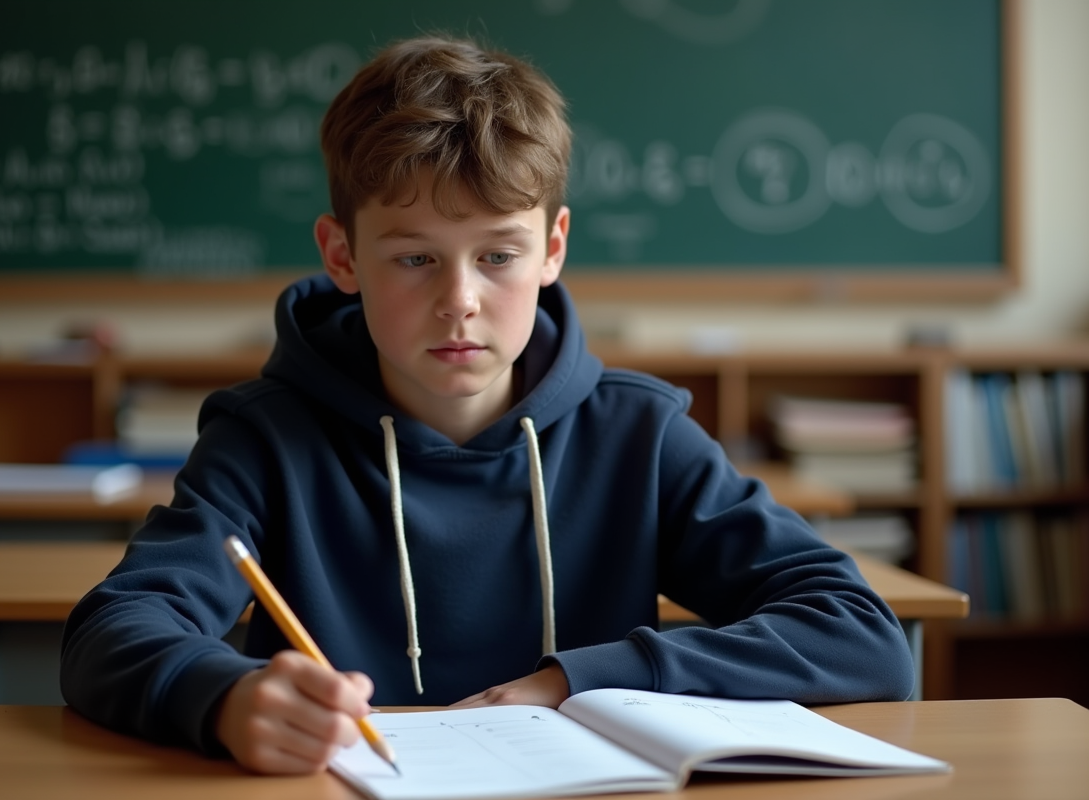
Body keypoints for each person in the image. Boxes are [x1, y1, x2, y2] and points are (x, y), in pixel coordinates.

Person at [60, 34, 913, 775]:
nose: (459, 300)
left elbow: (860, 634)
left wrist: (573, 681)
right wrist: (226, 700)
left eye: (498, 255)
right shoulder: (265, 439)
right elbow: (110, 631)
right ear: (341, 256)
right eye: (415, 260)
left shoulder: (638, 436)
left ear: (553, 249)